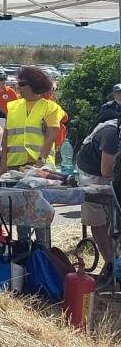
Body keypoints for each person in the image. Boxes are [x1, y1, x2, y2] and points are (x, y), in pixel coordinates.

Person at [74, 117, 120, 278]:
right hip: (91, 178)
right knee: (98, 223)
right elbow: (106, 171)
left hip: (106, 177)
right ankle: (111, 266)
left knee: (112, 224)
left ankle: (114, 264)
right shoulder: (112, 133)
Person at [0, 66, 62, 175]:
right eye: (18, 84)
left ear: (34, 84)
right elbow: (6, 138)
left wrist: (40, 162)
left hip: (41, 167)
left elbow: (50, 137)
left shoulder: (51, 108)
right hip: (14, 165)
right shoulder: (12, 106)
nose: (18, 87)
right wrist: (3, 164)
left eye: (22, 84)